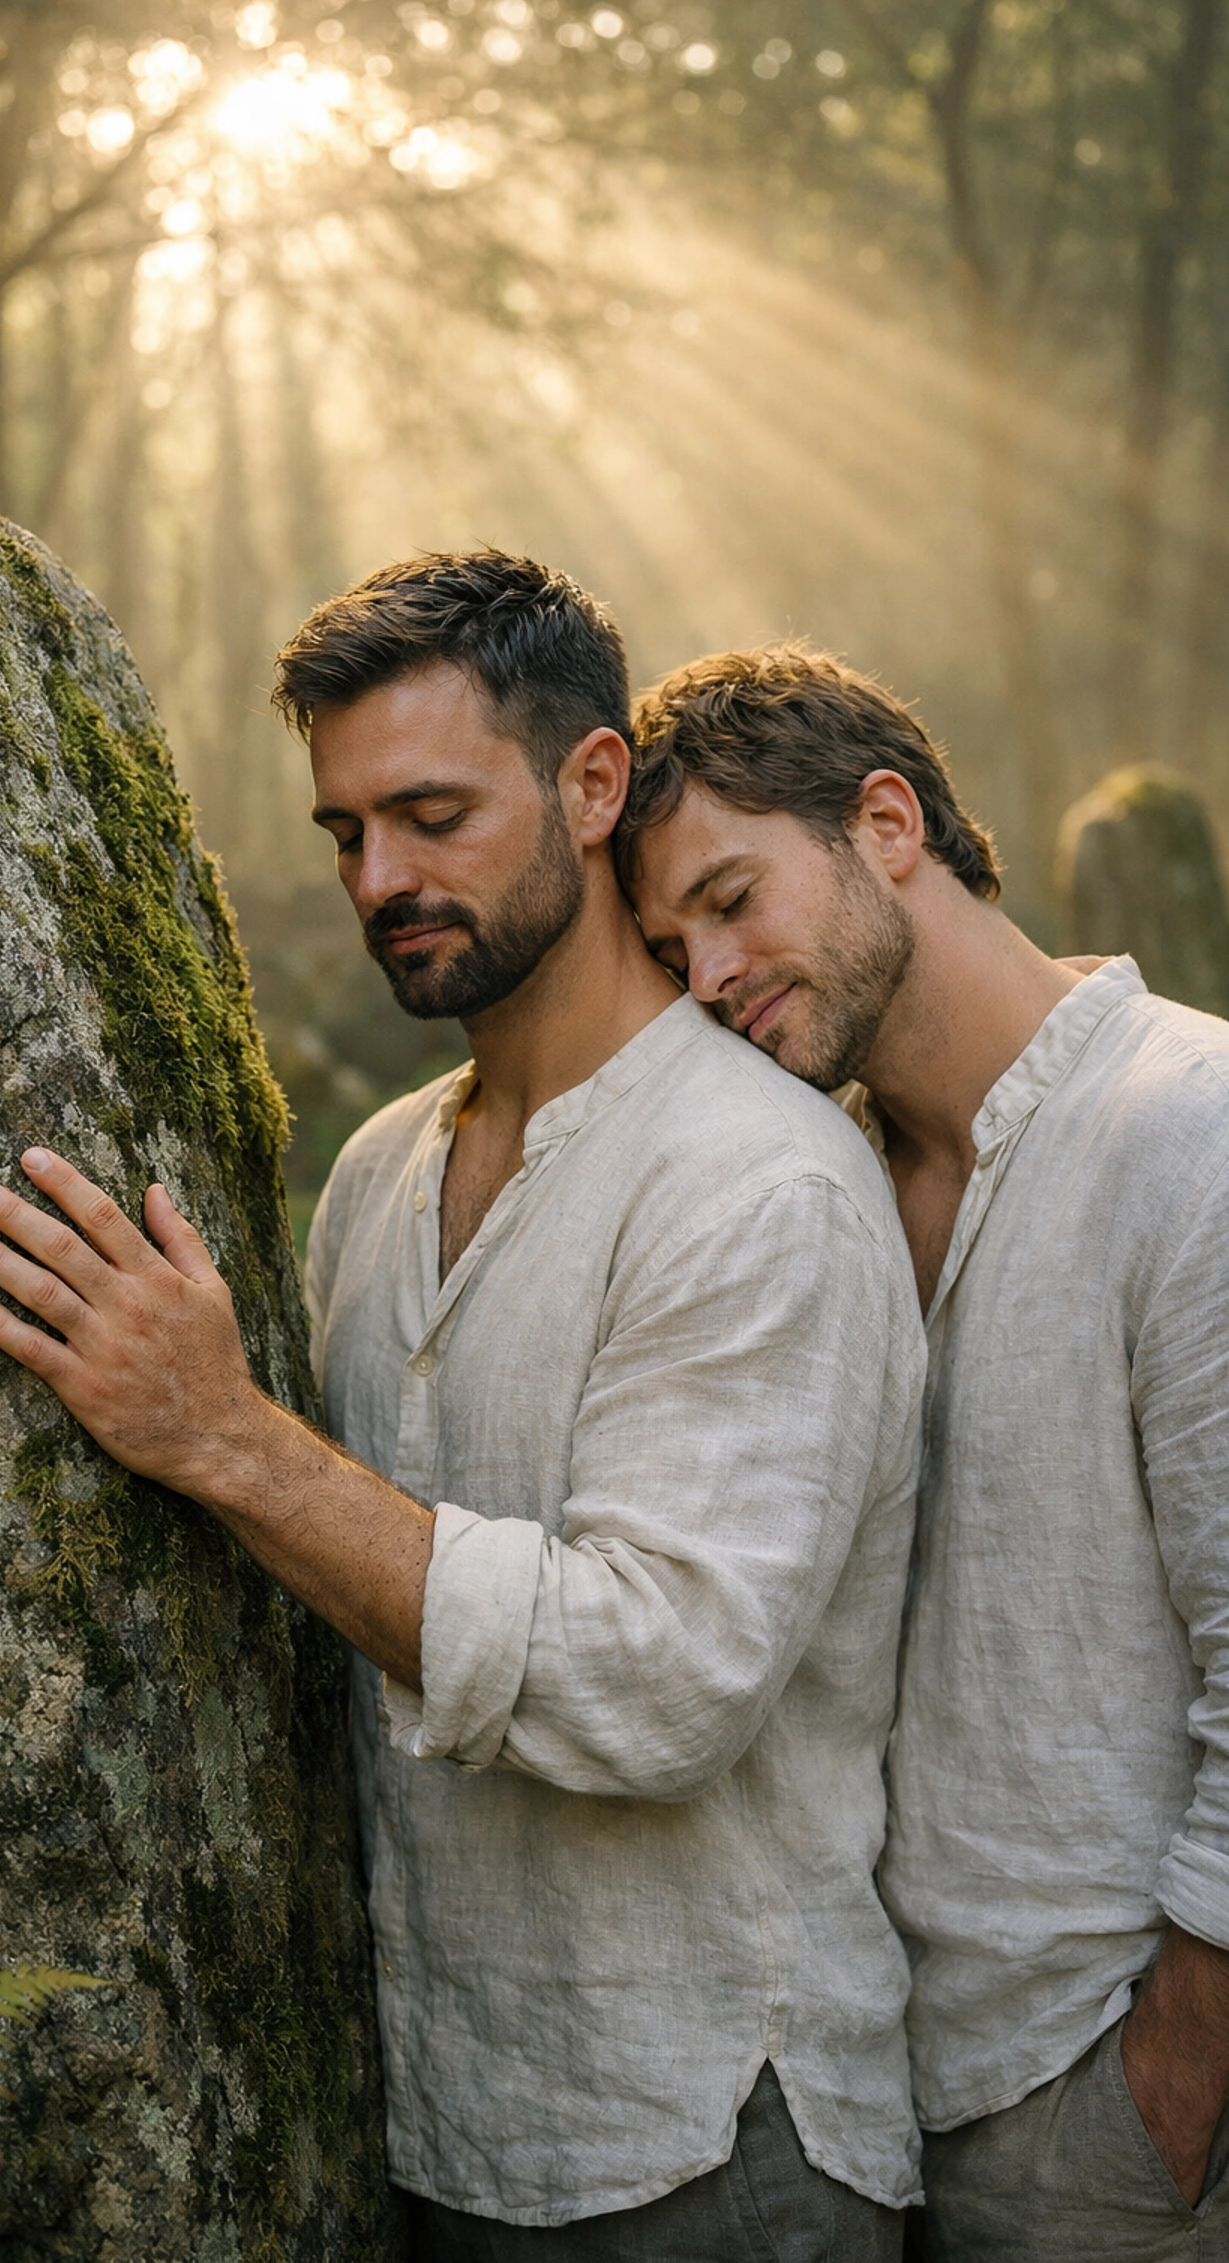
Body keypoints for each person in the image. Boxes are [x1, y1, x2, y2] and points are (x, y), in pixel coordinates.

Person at [0, 556, 925, 2260]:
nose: (381, 880)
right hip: (435, 2124)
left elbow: (657, 1681)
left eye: (429, 814)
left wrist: (227, 1435)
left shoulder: (760, 1181)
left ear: (593, 784)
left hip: (709, 2143)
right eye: (344, 834)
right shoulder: (383, 1173)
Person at [619, 639, 1229, 2263]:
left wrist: (1172, 2088)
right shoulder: (817, 1191)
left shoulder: (1193, 1127)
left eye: (733, 899)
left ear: (888, 824)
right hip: (880, 2096)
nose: (707, 977)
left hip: (1122, 2103)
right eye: (671, 944)